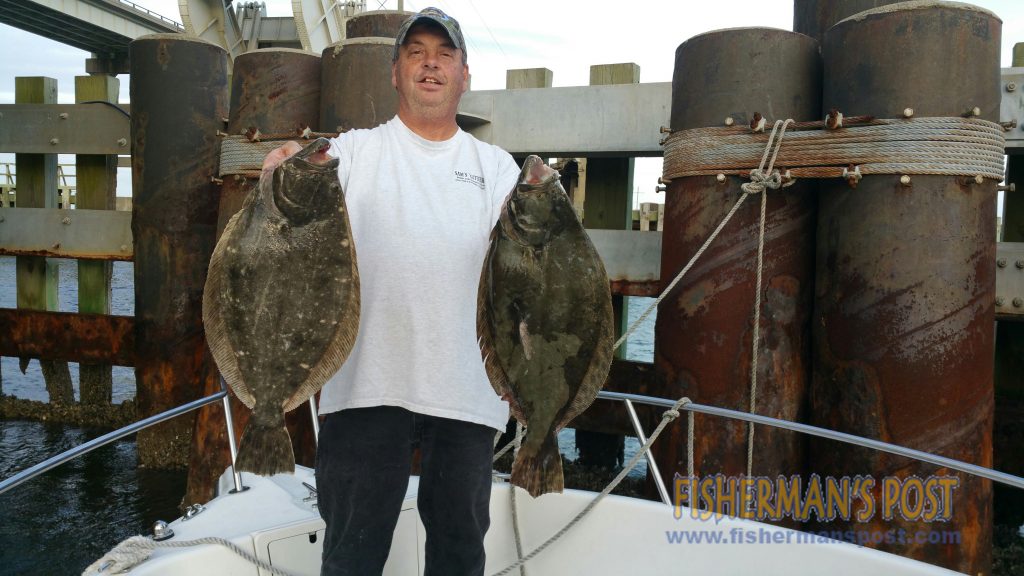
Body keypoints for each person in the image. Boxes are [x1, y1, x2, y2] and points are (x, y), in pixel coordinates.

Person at [264, 7, 520, 576]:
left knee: (458, 552)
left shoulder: (498, 169)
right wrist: (282, 167)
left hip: (468, 394)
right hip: (365, 386)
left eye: (444, 54)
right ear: (395, 74)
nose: (431, 64)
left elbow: (528, 277)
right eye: (415, 53)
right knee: (352, 554)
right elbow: (299, 183)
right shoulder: (354, 152)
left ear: (464, 75)